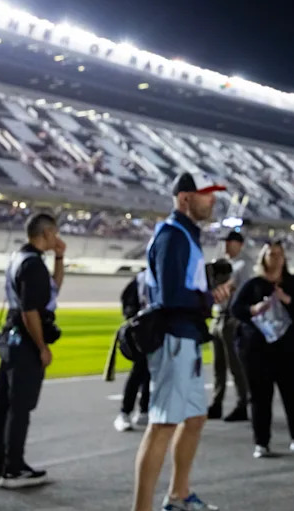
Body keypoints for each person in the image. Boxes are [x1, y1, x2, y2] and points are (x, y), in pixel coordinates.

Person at [131, 172, 232, 511]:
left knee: (195, 418)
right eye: (207, 194)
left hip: (185, 338)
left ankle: (178, 494)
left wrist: (207, 295)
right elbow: (171, 295)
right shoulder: (173, 236)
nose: (212, 200)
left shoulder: (184, 234)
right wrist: (207, 298)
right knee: (162, 424)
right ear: (185, 198)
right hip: (173, 338)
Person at [0, 211, 65, 488]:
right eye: (54, 233)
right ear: (45, 234)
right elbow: (31, 310)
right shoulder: (33, 265)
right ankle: (13, 469)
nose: (57, 238)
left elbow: (51, 290)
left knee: (2, 404)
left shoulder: (19, 258)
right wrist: (42, 346)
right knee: (19, 408)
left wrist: (60, 258)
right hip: (25, 342)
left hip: (10, 338)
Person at [230, 241, 294, 458]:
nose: (275, 258)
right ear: (263, 258)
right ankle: (261, 443)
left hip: (289, 348)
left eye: (279, 254)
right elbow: (236, 309)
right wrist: (253, 309)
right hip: (257, 348)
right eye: (271, 254)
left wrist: (287, 299)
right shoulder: (253, 284)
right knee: (260, 396)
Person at [208, 231, 250, 421]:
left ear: (239, 244)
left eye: (229, 242)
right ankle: (217, 403)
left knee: (235, 365)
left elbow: (227, 289)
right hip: (219, 316)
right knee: (218, 366)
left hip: (233, 318)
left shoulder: (243, 264)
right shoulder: (222, 263)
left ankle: (242, 403)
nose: (225, 246)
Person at [114, 269, 151, 432]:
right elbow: (127, 301)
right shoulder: (142, 278)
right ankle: (125, 412)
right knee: (139, 371)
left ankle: (145, 409)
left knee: (150, 372)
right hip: (143, 331)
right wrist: (133, 318)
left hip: (156, 330)